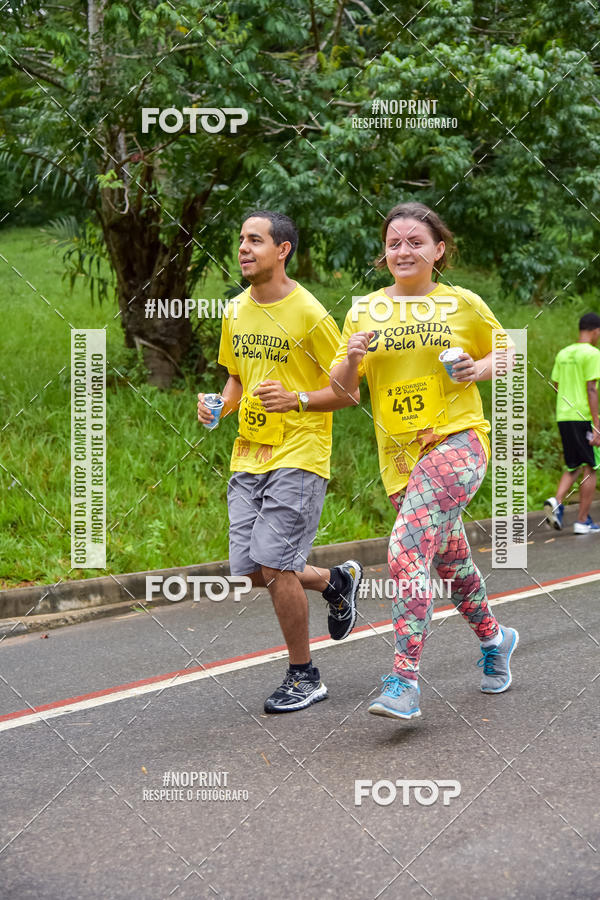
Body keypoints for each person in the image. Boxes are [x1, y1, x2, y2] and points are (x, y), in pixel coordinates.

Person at [330, 201, 518, 721]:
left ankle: (404, 681)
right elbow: (342, 393)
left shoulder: (462, 303)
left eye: (415, 242)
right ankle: (496, 640)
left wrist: (475, 368)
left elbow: (508, 352)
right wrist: (351, 358)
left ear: (438, 250)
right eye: (394, 242)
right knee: (453, 564)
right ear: (384, 252)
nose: (403, 250)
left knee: (405, 550)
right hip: (399, 459)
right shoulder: (365, 309)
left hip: (458, 442)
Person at [197, 210, 363, 714]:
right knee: (250, 570)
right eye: (241, 240)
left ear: (282, 249)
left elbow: (347, 392)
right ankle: (336, 583)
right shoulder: (235, 311)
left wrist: (297, 399)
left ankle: (304, 675)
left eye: (255, 240)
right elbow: (237, 380)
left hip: (300, 453)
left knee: (273, 562)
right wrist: (216, 407)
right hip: (249, 452)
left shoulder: (310, 314)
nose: (244, 248)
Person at [544, 312, 600, 534]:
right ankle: (582, 520)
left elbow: (556, 385)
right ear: (596, 331)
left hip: (564, 415)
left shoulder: (563, 353)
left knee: (573, 464)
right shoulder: (593, 353)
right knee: (591, 467)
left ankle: (556, 501)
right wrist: (596, 424)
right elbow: (591, 388)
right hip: (583, 416)